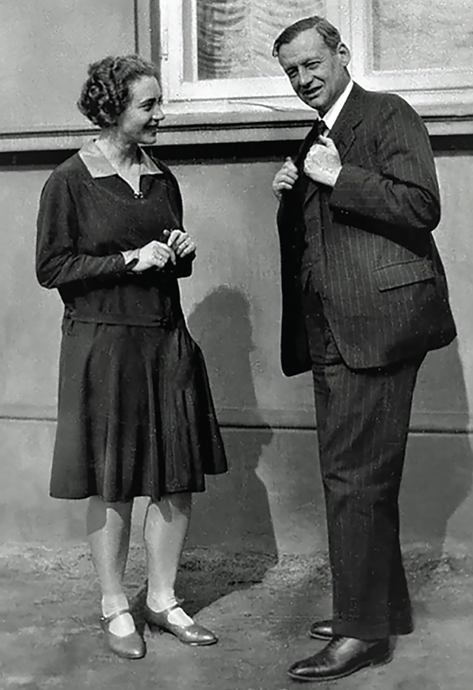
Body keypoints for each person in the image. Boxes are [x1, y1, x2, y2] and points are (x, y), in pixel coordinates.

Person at [271, 16, 456, 682]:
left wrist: (335, 176)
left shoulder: (387, 114)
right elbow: (322, 232)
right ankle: (378, 611)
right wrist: (292, 196)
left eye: (311, 65)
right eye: (290, 71)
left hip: (377, 329)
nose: (302, 80)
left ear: (341, 54)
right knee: (358, 480)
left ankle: (357, 630)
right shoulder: (315, 134)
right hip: (334, 332)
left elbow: (418, 206)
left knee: (354, 483)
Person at [36, 55, 227, 660]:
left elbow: (166, 251)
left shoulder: (162, 177)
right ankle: (115, 603)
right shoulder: (68, 181)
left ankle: (163, 599)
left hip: (165, 340)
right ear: (112, 108)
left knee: (174, 481)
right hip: (103, 345)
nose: (160, 115)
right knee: (113, 481)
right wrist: (125, 261)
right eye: (148, 105)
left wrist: (179, 250)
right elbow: (52, 268)